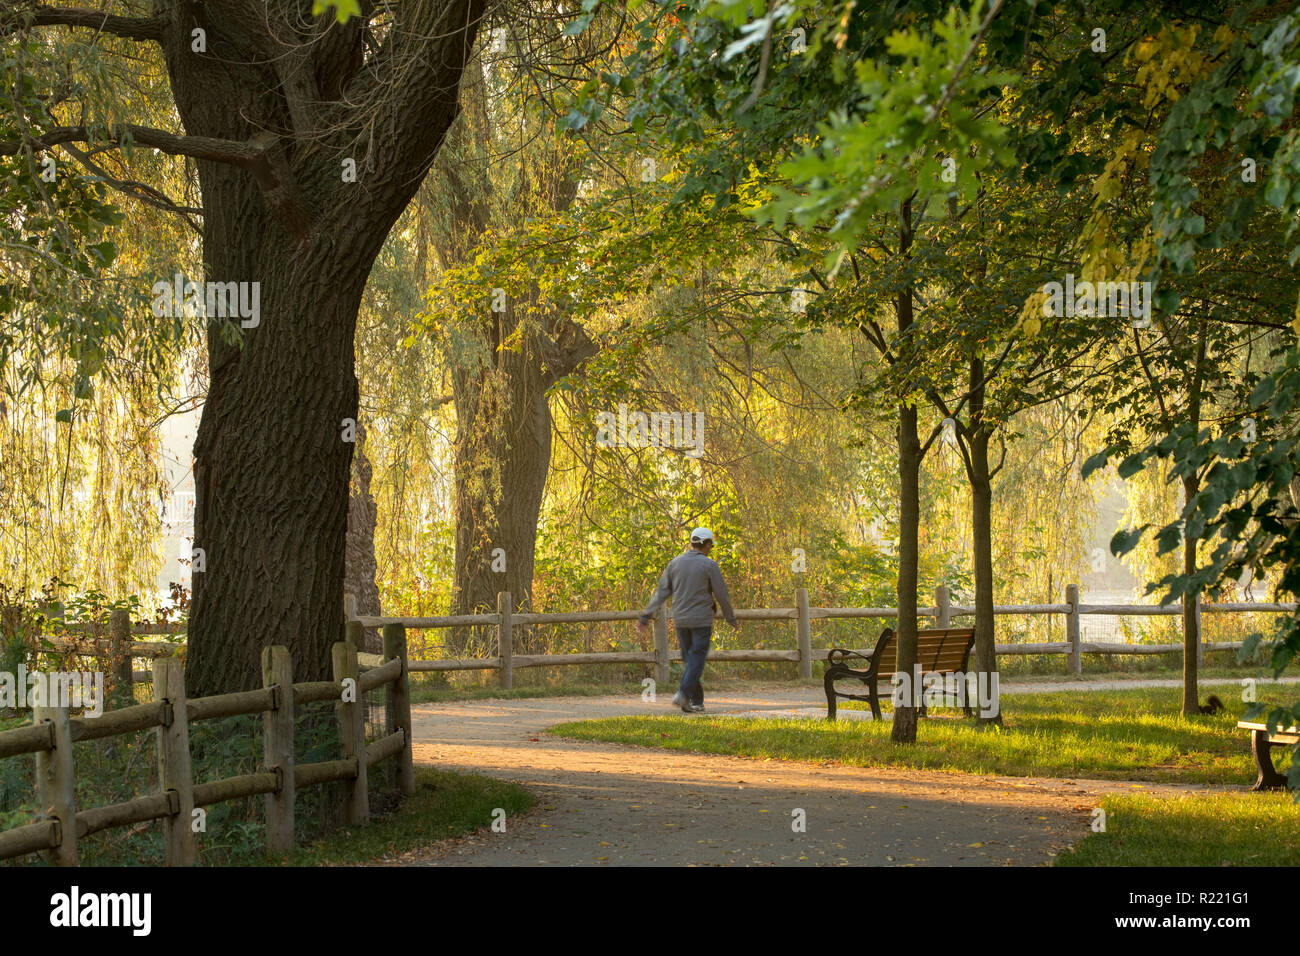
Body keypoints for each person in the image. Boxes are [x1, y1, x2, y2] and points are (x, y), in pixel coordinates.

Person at [637, 527, 739, 713]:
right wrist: (730, 617)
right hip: (701, 620)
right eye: (710, 545)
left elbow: (661, 592)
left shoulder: (675, 563)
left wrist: (645, 615)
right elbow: (722, 594)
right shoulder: (709, 565)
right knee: (696, 660)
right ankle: (683, 693)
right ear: (707, 544)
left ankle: (696, 700)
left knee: (690, 660)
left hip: (681, 619)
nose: (710, 549)